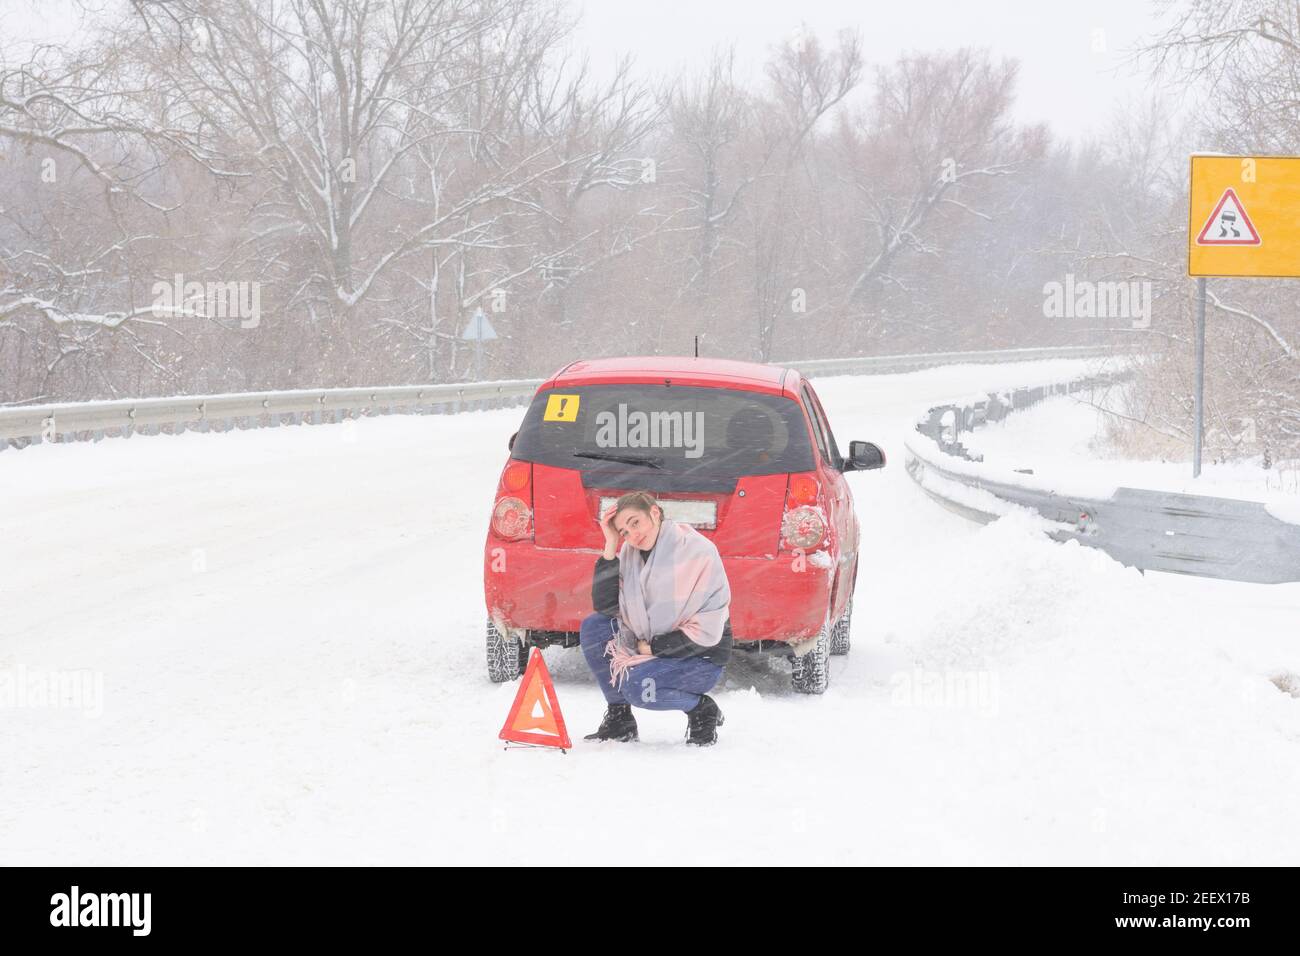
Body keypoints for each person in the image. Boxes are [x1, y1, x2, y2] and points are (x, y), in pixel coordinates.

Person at [579, 491, 732, 746]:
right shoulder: (629, 554)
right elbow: (605, 606)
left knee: (639, 687)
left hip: (699, 657)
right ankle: (620, 720)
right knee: (594, 627)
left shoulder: (697, 551)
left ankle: (701, 709)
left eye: (635, 522)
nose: (632, 535)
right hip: (649, 644)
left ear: (654, 512)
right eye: (624, 531)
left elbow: (708, 629)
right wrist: (610, 546)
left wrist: (655, 647)